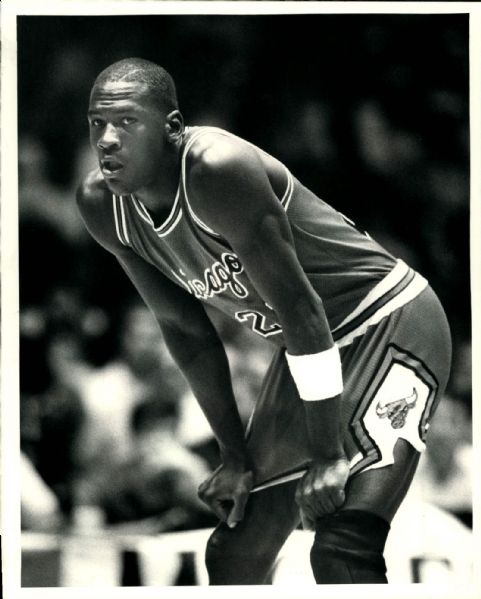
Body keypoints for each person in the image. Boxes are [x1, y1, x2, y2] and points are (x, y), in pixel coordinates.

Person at [77, 57, 452, 585]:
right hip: (307, 348)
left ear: (173, 129)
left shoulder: (216, 168)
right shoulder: (102, 205)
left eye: (126, 122)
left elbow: (302, 309)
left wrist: (327, 455)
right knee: (234, 553)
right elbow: (186, 332)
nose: (107, 139)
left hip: (390, 320)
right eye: (97, 123)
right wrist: (234, 456)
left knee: (343, 548)